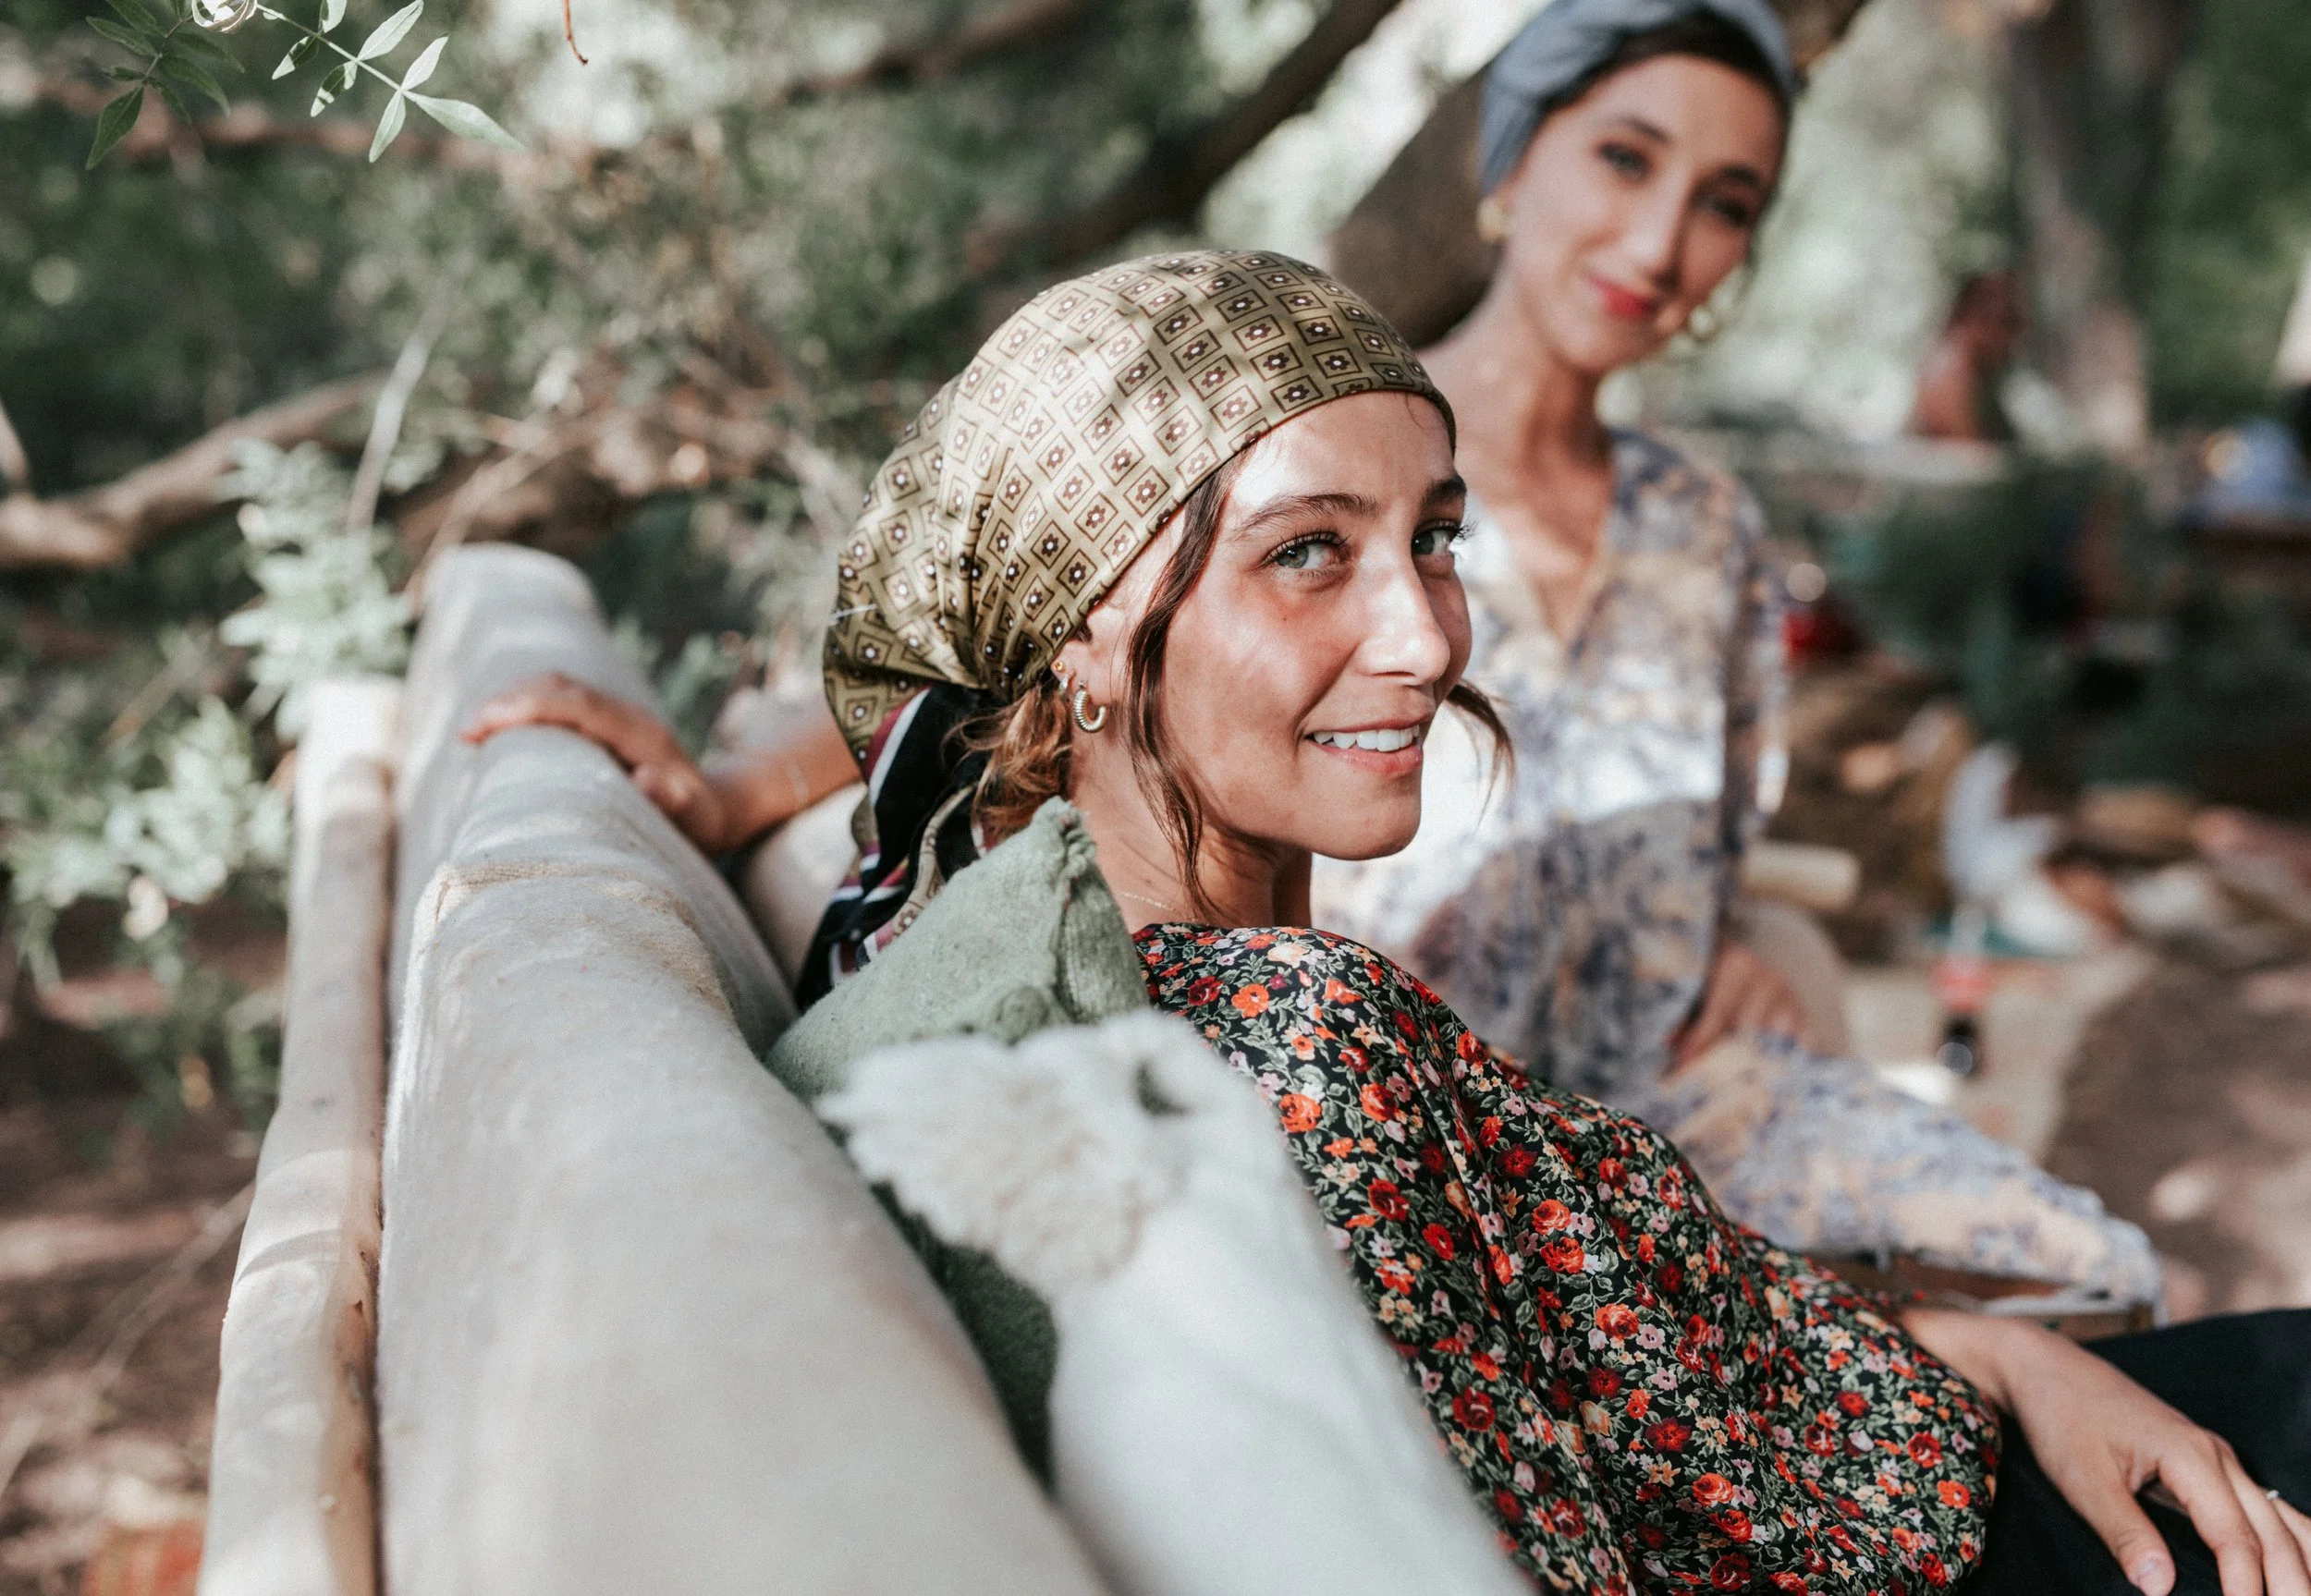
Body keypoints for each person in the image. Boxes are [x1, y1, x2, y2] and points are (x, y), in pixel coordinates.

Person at [471, 250, 2311, 1595]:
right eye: (1306, 550)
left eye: (1432, 534)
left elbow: (1660, 1349)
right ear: (1089, 635)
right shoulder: (1282, 1047)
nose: (1428, 636)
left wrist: (1998, 1353)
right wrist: (1999, 1370)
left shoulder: (1104, 976)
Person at [1302, 0, 2155, 1298]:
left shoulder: (1708, 527)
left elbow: (1711, 847)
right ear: (1515, 159)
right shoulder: (1318, 468)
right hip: (1409, 1151)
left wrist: (1738, 932)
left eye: (1725, 201)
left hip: (1684, 1115)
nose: (1660, 243)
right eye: (1627, 158)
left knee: (2094, 1275)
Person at [1909, 270, 2026, 444]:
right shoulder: (1949, 370)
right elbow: (1971, 452)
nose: (2017, 334)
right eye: (2008, 321)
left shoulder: (1981, 373)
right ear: (1975, 318)